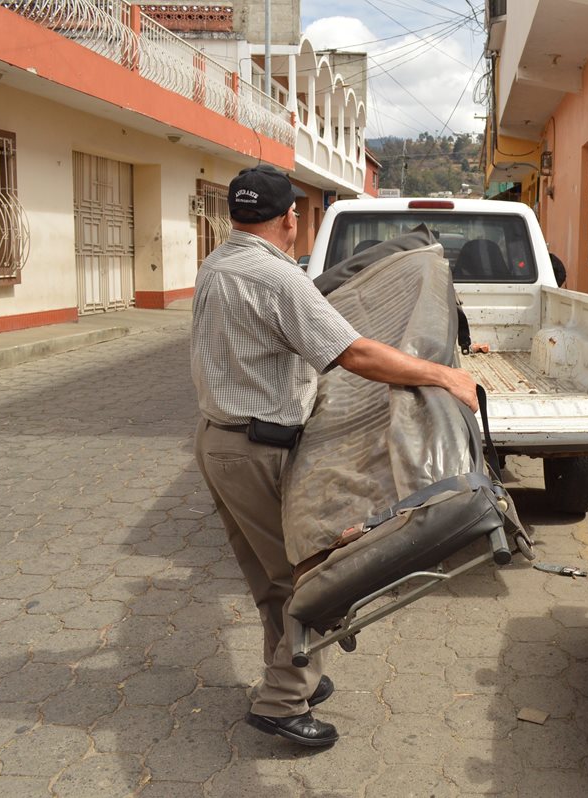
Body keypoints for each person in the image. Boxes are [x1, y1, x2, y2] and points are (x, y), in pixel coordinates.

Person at [190, 165, 477, 748]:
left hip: (218, 443)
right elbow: (357, 355)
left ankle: (287, 670)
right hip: (256, 449)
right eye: (296, 212)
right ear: (287, 218)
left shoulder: (217, 264)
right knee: (316, 576)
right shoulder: (277, 279)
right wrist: (442, 373)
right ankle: (281, 700)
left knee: (272, 579)